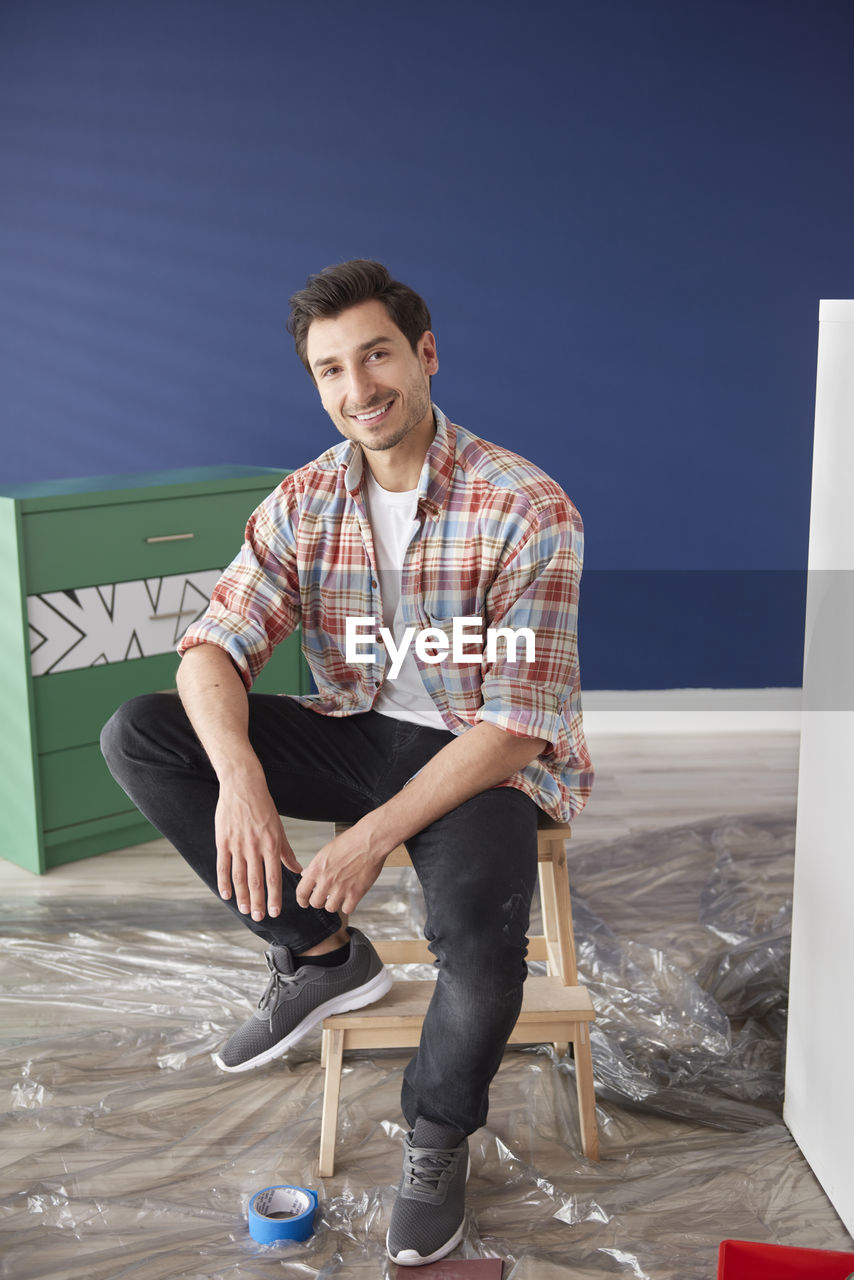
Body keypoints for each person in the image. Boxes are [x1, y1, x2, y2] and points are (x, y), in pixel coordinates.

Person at [101, 259, 593, 1267]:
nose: (356, 388)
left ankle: (434, 1135)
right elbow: (211, 647)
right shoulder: (306, 499)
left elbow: (516, 722)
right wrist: (240, 777)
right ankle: (322, 955)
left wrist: (375, 836)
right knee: (142, 730)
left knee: (480, 943)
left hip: (478, 752)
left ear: (424, 353)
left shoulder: (525, 505)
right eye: (330, 368)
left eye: (375, 355)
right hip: (356, 722)